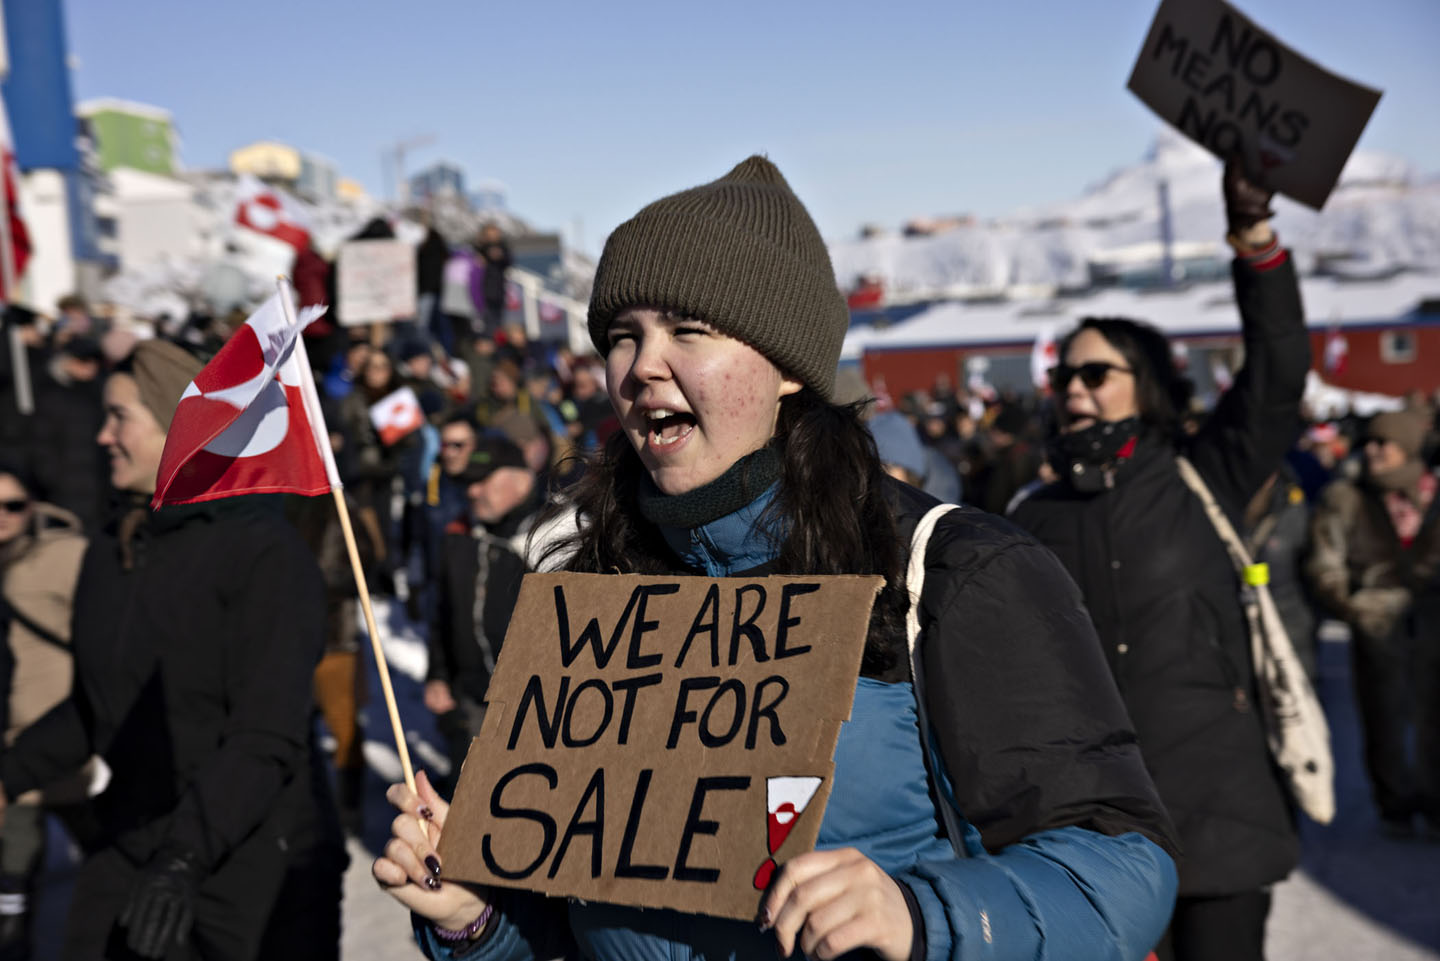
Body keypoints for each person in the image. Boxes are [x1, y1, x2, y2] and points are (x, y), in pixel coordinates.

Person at [375, 155, 1178, 961]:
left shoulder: (953, 569)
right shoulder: (586, 593)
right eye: (623, 336)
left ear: (788, 365)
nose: (642, 365)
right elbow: (569, 922)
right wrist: (475, 915)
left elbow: (1119, 869)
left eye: (688, 329)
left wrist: (921, 915)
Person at [1009, 160, 1310, 961]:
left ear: (1143, 385)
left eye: (1096, 372)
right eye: (1064, 374)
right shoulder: (1028, 518)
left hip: (1220, 811)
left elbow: (1278, 375)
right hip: (1098, 835)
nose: (1074, 386)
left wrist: (1255, 245)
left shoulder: (1203, 473)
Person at [0, 339, 346, 960]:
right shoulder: (115, 548)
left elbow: (263, 737)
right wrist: (8, 776)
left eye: (120, 417)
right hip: (135, 837)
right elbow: (97, 706)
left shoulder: (263, 554)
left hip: (256, 857)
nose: (103, 435)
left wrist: (185, 857)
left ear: (180, 426)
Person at [1307, 408, 1440, 836]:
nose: (1373, 450)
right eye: (1370, 442)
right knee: (1382, 721)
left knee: (1434, 718)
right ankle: (1395, 805)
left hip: (1433, 626)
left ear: (1407, 447)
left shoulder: (1432, 493)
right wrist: (1357, 608)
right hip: (1377, 630)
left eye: (1385, 442)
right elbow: (1323, 564)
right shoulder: (1345, 497)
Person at [0, 465, 95, 960]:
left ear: (33, 507)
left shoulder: (66, 558)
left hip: (68, 743)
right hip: (10, 755)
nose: (3, 518)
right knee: (11, 889)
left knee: (109, 867)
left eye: (13, 505)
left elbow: (107, 639)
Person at [424, 437, 550, 795]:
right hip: (473, 701)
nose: (473, 491)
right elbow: (442, 613)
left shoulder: (558, 537)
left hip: (538, 712)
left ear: (522, 479)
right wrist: (437, 674)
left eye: (484, 481)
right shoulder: (460, 535)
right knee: (469, 800)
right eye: (468, 482)